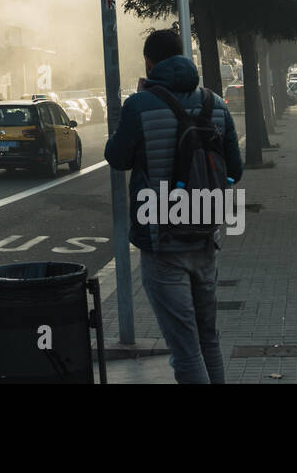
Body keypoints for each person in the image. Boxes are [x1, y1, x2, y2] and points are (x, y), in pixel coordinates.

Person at [105, 29, 244, 384]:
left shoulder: (139, 105)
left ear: (150, 63)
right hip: (204, 236)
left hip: (162, 241)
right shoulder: (215, 104)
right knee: (208, 339)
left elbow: (118, 158)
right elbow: (236, 170)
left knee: (185, 350)